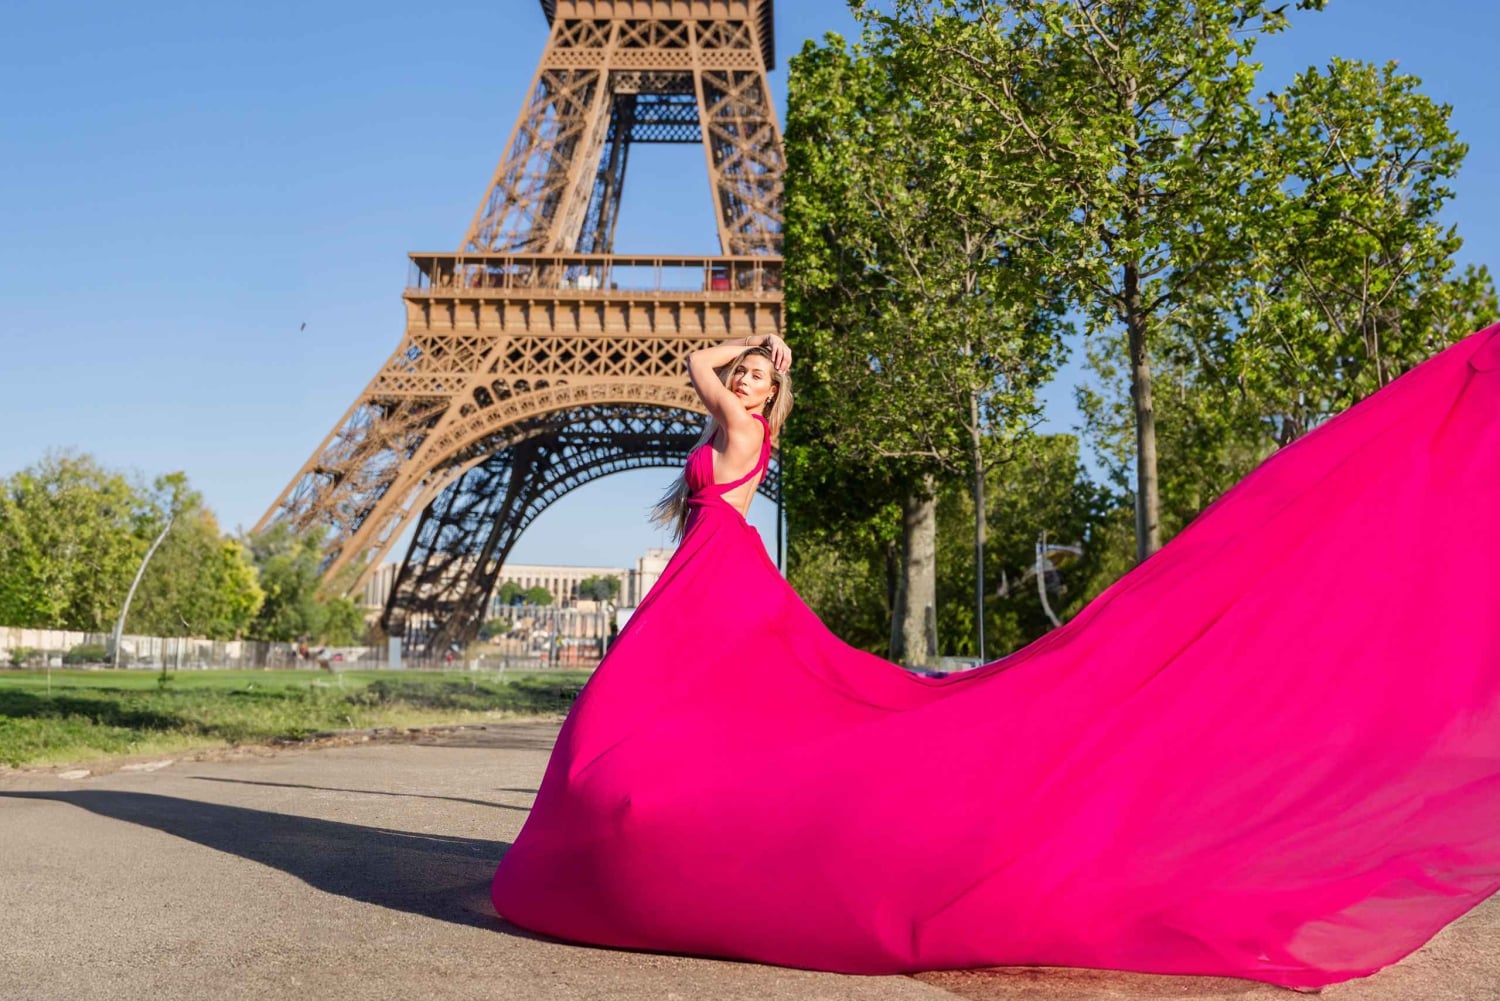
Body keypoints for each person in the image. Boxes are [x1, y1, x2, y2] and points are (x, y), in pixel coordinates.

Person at [492, 326, 1500, 991]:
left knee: (675, 711)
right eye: (748, 379)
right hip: (712, 573)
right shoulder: (746, 428)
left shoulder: (741, 420)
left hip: (718, 577)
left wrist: (760, 350)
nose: (747, 384)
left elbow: (702, 372)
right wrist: (770, 354)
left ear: (767, 394)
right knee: (686, 713)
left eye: (760, 382)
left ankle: (648, 817)